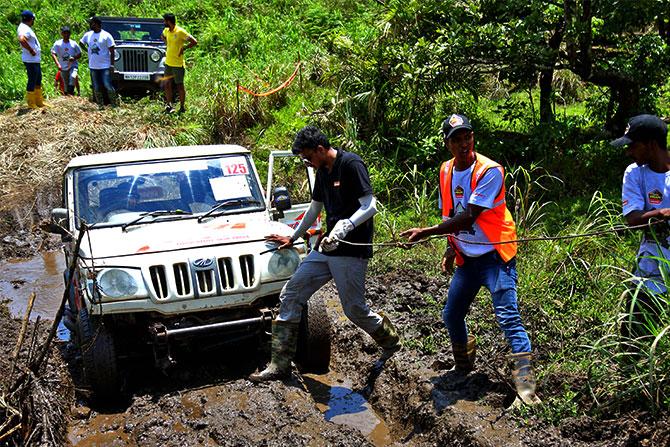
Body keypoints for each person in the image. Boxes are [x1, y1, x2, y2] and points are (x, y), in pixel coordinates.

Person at [400, 114, 540, 406]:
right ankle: (463, 366)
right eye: (457, 139)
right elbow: (449, 213)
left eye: (468, 137)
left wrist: (427, 232)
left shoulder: (490, 171)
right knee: (451, 314)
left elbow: (469, 216)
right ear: (447, 143)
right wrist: (451, 249)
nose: (464, 144)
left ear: (472, 138)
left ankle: (526, 390)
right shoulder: (446, 170)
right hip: (468, 258)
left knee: (508, 318)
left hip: (495, 257)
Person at [249, 125, 401, 382]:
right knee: (291, 292)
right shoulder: (322, 172)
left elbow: (370, 205)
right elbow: (314, 208)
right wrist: (294, 236)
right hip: (327, 248)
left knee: (353, 309)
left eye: (308, 157)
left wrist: (347, 226)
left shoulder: (351, 164)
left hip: (352, 249)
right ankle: (280, 363)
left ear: (320, 149)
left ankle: (392, 342)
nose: (307, 163)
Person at [612, 114, 670, 340]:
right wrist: (661, 213)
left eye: (633, 146)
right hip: (652, 262)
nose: (629, 152)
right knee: (635, 331)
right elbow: (634, 219)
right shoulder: (634, 173)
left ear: (652, 145)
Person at [160, 13, 197, 114]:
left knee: (179, 85)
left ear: (169, 21)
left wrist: (183, 48)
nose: (164, 23)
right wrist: (167, 43)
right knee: (167, 84)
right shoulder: (166, 31)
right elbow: (162, 36)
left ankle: (182, 107)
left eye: (164, 21)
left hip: (178, 64)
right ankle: (169, 105)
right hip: (168, 63)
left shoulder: (180, 31)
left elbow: (194, 41)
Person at [80, 16, 118, 108]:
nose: (90, 25)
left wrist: (112, 65)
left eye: (91, 23)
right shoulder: (88, 35)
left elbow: (112, 51)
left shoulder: (106, 35)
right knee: (96, 86)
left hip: (105, 66)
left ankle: (114, 105)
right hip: (93, 66)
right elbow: (81, 43)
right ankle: (100, 105)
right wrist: (87, 50)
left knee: (107, 85)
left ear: (97, 24)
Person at [17, 10, 48, 108]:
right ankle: (31, 103)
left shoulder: (26, 27)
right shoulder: (24, 28)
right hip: (30, 59)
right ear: (31, 19)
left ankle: (39, 101)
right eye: (33, 19)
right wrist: (31, 50)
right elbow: (22, 39)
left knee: (38, 79)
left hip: (34, 60)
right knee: (32, 79)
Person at [51, 26, 81, 96]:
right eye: (64, 33)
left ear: (70, 34)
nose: (66, 35)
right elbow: (53, 53)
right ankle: (68, 95)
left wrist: (74, 57)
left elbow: (80, 54)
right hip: (63, 66)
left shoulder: (74, 43)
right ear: (62, 34)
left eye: (68, 33)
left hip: (73, 65)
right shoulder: (57, 44)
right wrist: (57, 64)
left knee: (73, 76)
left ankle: (71, 92)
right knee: (66, 83)